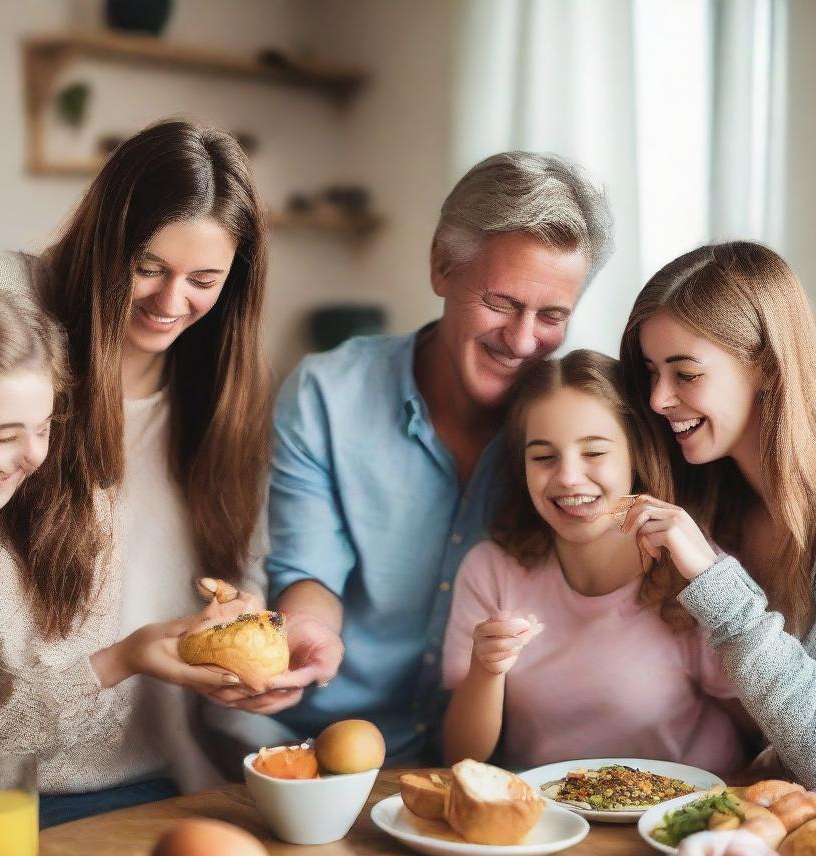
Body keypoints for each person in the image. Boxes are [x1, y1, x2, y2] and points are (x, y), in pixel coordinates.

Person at [234, 152, 615, 762]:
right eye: (500, 302)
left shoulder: (584, 434)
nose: (522, 341)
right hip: (323, 744)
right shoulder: (327, 394)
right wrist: (306, 634)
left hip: (499, 761)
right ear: (442, 265)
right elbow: (310, 570)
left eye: (551, 316)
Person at [0, 120, 276, 788]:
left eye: (204, 279)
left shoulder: (220, 404)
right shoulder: (19, 321)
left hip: (156, 775)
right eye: (147, 268)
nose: (170, 301)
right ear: (107, 245)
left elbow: (240, 580)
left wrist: (247, 659)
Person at [0, 286, 204, 856]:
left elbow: (53, 729)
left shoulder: (70, 510)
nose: (34, 455)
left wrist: (126, 657)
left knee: (192, 855)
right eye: (5, 436)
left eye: (45, 425)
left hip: (99, 787)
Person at [618, 240, 816, 797]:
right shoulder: (717, 500)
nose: (658, 398)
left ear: (769, 368)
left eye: (685, 373)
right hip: (763, 802)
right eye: (652, 371)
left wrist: (712, 581)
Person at [441, 350, 752, 773]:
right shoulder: (491, 571)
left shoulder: (692, 568)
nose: (568, 477)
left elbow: (762, 734)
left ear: (634, 456)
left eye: (594, 452)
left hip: (681, 815)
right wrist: (485, 667)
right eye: (543, 457)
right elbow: (462, 757)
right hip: (550, 817)